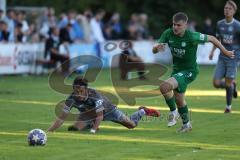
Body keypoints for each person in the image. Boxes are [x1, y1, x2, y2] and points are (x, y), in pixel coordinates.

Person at [152, 12, 234, 133]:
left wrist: (225, 52)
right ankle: (186, 125)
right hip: (177, 70)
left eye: (178, 25)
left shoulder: (192, 36)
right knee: (179, 100)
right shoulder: (168, 33)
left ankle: (173, 112)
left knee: (164, 87)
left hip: (190, 71)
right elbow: (154, 50)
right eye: (174, 24)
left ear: (185, 25)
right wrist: (156, 48)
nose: (175, 27)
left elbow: (212, 38)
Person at [47, 77, 160, 133]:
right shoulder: (71, 99)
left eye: (81, 91)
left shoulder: (95, 96)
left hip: (109, 111)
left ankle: (142, 111)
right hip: (89, 114)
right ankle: (89, 124)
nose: (78, 94)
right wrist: (49, 131)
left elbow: (100, 116)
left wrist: (93, 132)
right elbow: (61, 118)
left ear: (86, 89)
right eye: (76, 91)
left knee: (131, 125)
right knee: (76, 128)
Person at [208, 0, 239, 113]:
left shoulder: (237, 26)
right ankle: (232, 85)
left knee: (227, 82)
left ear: (234, 11)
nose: (227, 10)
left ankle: (228, 107)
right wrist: (212, 51)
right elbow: (217, 40)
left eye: (230, 8)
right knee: (216, 83)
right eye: (226, 8)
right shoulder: (220, 24)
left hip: (233, 58)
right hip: (222, 57)